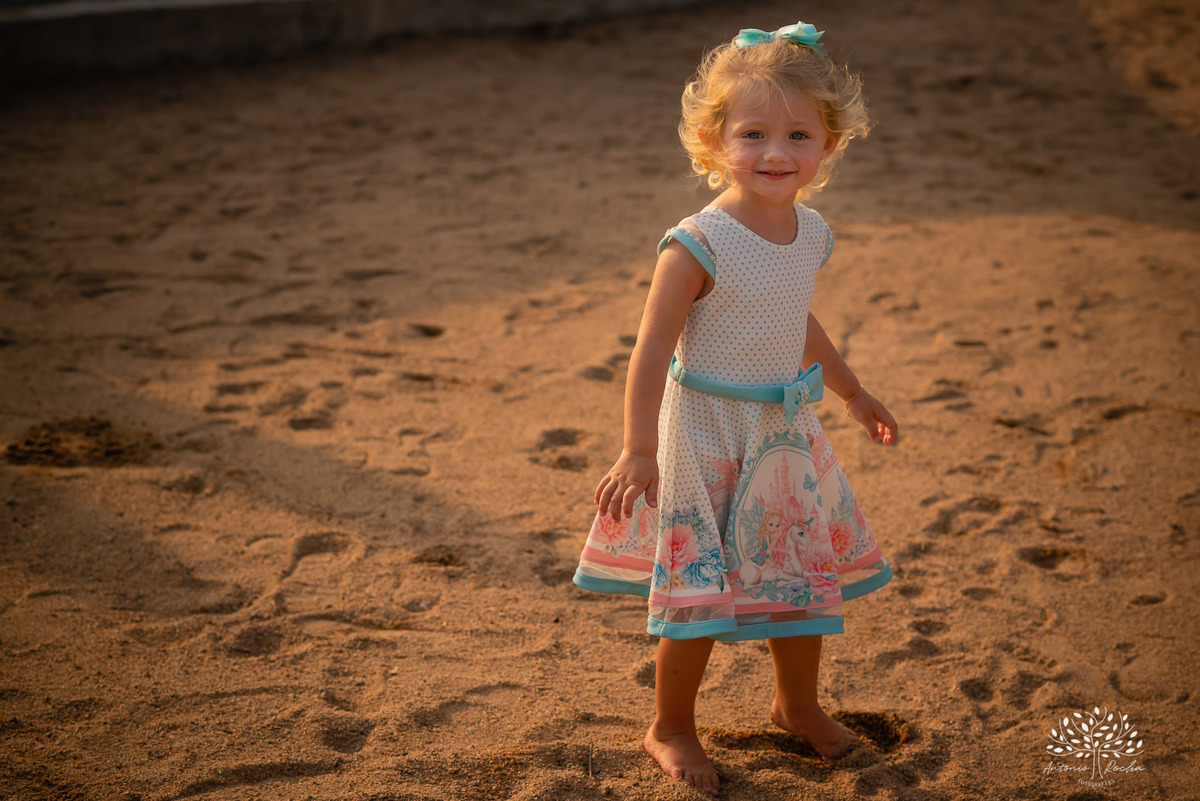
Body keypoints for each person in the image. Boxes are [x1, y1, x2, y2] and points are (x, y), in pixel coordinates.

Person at [571, 21, 900, 797]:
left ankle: (796, 704)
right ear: (715, 141)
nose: (775, 152)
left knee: (800, 574)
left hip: (782, 431)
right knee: (700, 594)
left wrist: (852, 390)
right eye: (753, 133)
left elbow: (795, 318)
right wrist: (637, 448)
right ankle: (671, 724)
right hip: (703, 433)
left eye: (798, 135)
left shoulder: (810, 232)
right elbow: (650, 350)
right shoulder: (697, 243)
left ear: (829, 144)